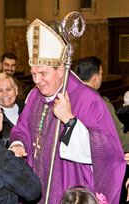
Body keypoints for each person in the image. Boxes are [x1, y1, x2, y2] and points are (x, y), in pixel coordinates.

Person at [10, 18, 125, 204]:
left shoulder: (88, 100)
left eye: (43, 74)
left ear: (61, 70)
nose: (37, 80)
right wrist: (18, 144)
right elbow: (22, 128)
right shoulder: (34, 96)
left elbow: (109, 152)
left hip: (69, 191)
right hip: (37, 187)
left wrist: (70, 121)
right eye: (33, 73)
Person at [76, 56, 129, 152]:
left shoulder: (70, 98)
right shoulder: (101, 104)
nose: (101, 77)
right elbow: (120, 141)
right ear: (95, 79)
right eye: (101, 74)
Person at [0, 72, 24, 148]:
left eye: (8, 89)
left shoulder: (27, 109)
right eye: (0, 90)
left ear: (16, 90)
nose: (5, 94)